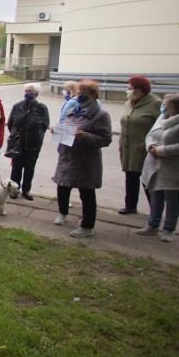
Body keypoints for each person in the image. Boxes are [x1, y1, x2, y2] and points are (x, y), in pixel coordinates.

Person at [52, 79, 113, 238]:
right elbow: (66, 127)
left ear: (93, 95)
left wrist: (85, 136)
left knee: (86, 193)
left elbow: (105, 139)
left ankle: (87, 226)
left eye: (83, 94)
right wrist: (57, 131)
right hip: (67, 156)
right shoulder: (73, 109)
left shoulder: (101, 115)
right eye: (78, 93)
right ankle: (62, 213)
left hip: (85, 160)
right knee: (62, 186)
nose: (79, 96)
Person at [137, 94, 179, 242]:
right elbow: (149, 136)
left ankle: (169, 229)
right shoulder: (162, 118)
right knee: (155, 196)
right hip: (153, 165)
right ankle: (153, 224)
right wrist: (150, 146)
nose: (162, 107)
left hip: (173, 168)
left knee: (172, 199)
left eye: (165, 105)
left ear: (174, 107)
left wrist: (160, 151)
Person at [118, 76, 162, 215]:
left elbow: (163, 126)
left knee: (147, 181)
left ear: (139, 90)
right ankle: (130, 205)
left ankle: (155, 213)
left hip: (146, 149)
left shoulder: (155, 104)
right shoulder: (128, 103)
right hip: (128, 148)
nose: (128, 90)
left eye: (130, 88)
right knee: (131, 177)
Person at [6, 83, 50, 201]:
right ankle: (14, 190)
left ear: (36, 93)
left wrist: (37, 135)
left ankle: (26, 190)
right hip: (18, 144)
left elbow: (45, 125)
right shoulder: (17, 106)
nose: (27, 93)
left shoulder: (42, 108)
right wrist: (16, 136)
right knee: (16, 168)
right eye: (26, 91)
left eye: (30, 91)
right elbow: (10, 124)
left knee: (30, 168)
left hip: (33, 144)